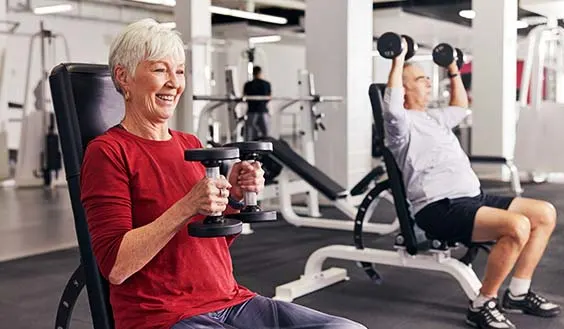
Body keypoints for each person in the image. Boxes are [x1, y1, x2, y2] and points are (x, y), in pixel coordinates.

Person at [80, 18, 367, 329]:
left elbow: (208, 243)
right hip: (163, 316)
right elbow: (116, 266)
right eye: (160, 70)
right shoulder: (108, 151)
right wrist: (187, 205)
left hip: (231, 301)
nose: (174, 83)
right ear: (123, 76)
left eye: (179, 71)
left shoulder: (189, 144)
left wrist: (233, 199)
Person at [382, 38, 561, 329]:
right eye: (419, 78)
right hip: (440, 208)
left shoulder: (434, 118)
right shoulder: (400, 127)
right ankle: (481, 304)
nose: (428, 82)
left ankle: (518, 293)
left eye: (428, 77)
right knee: (517, 226)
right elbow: (390, 106)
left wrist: (452, 67)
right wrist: (398, 59)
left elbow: (461, 106)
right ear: (403, 89)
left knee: (544, 213)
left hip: (472, 198)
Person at [242, 66, 272, 140]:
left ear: (253, 73)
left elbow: (244, 97)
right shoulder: (266, 84)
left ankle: (248, 150)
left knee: (250, 135)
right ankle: (266, 150)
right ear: (260, 73)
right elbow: (269, 97)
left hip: (251, 111)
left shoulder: (248, 85)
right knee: (266, 135)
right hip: (263, 111)